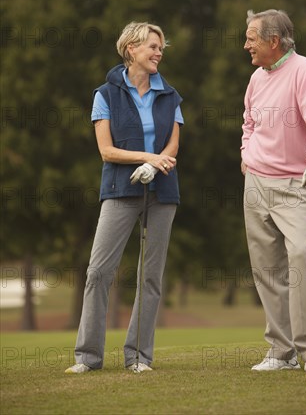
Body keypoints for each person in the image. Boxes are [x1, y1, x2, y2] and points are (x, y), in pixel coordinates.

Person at [65, 22, 183, 374]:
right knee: (99, 272)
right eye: (152, 46)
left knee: (151, 277)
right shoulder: (105, 94)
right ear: (131, 49)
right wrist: (146, 159)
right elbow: (106, 150)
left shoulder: (171, 95)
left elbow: (173, 145)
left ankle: (138, 357)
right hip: (120, 190)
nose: (159, 52)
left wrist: (158, 163)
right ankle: (88, 357)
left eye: (161, 47)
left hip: (162, 192)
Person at [241, 9, 306, 374]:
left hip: (297, 185)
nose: (246, 44)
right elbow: (249, 121)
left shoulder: (305, 71)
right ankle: (282, 352)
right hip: (256, 183)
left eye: (252, 37)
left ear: (273, 41)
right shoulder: (256, 77)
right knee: (267, 269)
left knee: (300, 261)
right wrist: (246, 154)